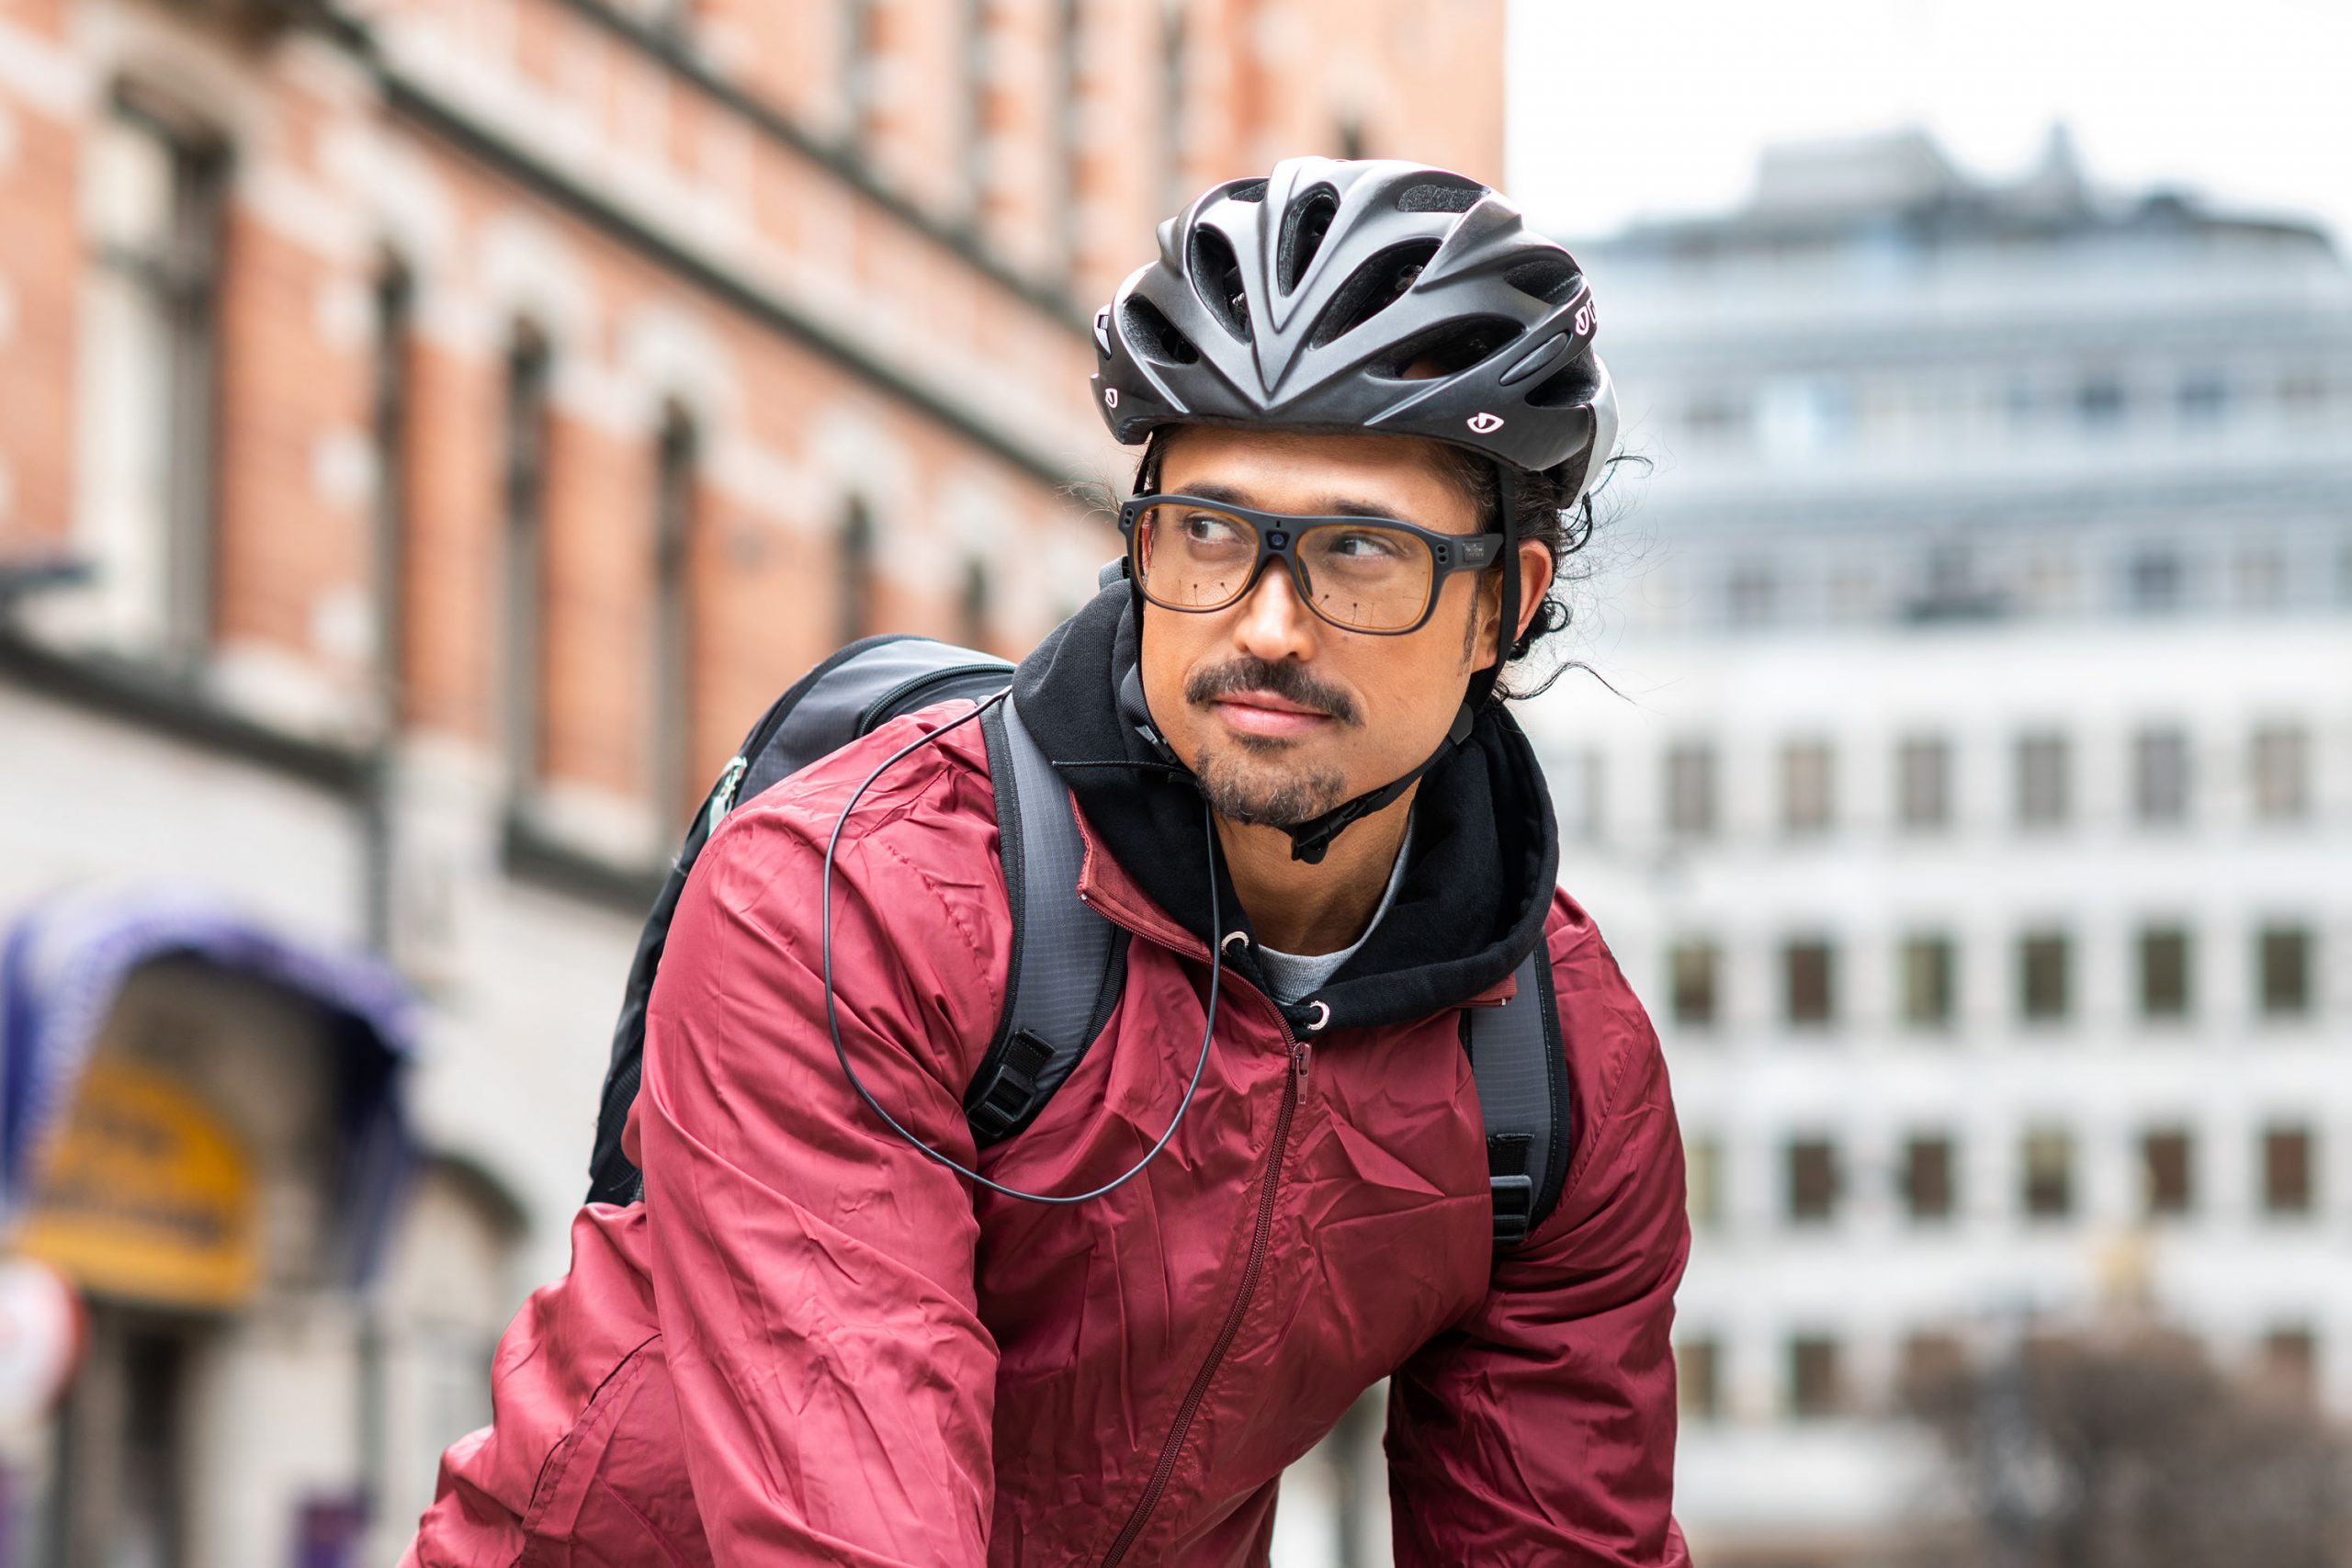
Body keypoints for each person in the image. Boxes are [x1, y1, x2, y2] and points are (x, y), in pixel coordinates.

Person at [403, 156, 1689, 1568]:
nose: (1265, 623)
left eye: (1358, 552)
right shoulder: (857, 894)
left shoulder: (1558, 1070)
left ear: (1505, 600)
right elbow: (855, 1534)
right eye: (1206, 534)